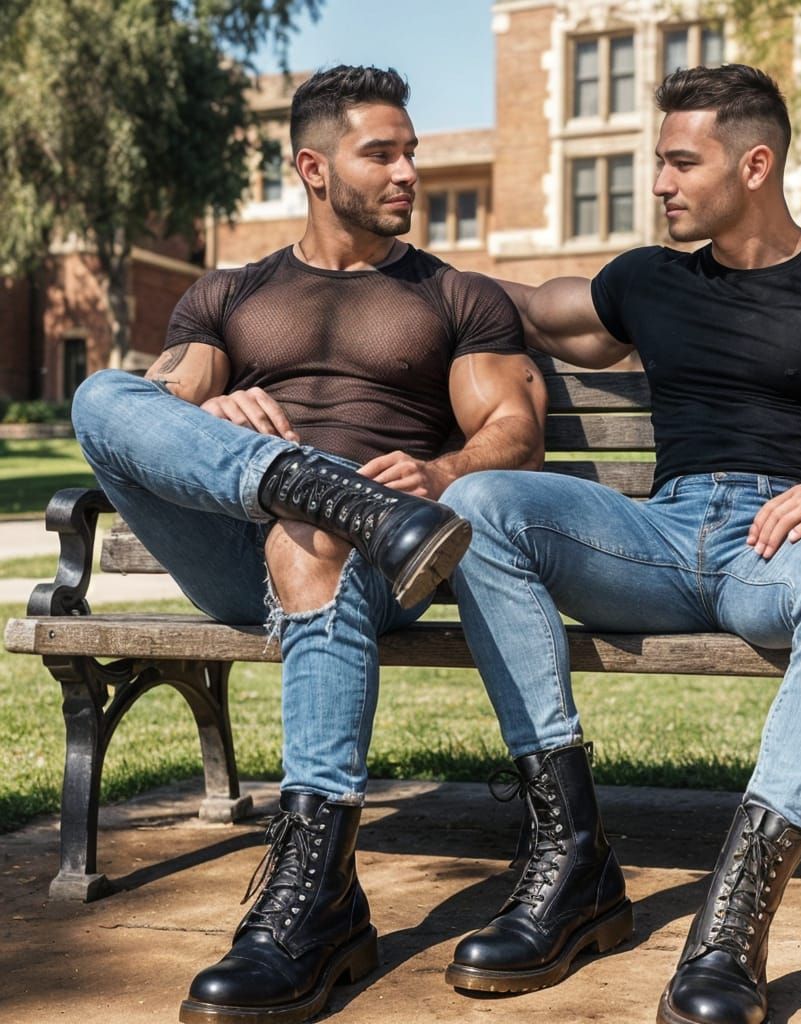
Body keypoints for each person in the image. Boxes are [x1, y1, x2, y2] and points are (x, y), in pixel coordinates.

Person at [440, 64, 801, 1024]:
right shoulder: (647, 281)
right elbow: (516, 304)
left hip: (779, 546)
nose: (659, 184)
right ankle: (569, 861)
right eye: (657, 163)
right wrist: (395, 268)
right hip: (655, 534)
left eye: (680, 163)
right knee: (482, 502)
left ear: (754, 164)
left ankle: (732, 923)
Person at [70, 65, 546, 1024]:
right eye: (384, 152)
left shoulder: (455, 294)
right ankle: (316, 492)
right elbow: (150, 411)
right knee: (98, 396)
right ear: (314, 168)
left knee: (311, 539)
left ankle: (315, 900)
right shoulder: (231, 293)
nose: (409, 169)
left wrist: (442, 476)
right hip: (233, 548)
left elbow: (512, 429)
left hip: (388, 557)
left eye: (412, 149)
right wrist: (211, 409)